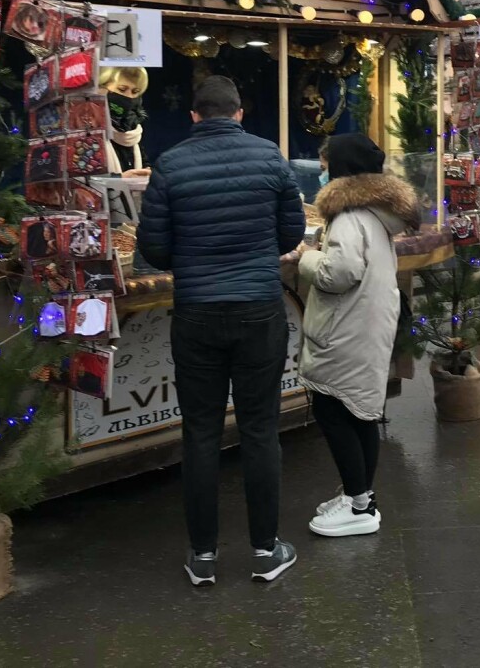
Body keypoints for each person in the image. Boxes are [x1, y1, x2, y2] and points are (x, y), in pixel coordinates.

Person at [138, 76, 306, 586]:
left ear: (194, 116)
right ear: (238, 113)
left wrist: (194, 256)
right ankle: (265, 550)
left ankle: (203, 557)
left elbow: (154, 249)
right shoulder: (270, 157)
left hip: (196, 314)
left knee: (200, 432)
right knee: (260, 429)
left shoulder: (169, 164)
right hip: (259, 310)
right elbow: (292, 233)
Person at [298, 133, 420, 537]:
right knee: (362, 413)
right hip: (367, 326)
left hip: (346, 330)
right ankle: (361, 497)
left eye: (325, 164)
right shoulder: (376, 213)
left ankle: (357, 506)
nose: (321, 171)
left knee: (335, 412)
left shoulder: (348, 217)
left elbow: (339, 273)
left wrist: (306, 257)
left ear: (340, 169)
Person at [101, 66, 148, 177]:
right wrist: (119, 179)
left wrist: (148, 173)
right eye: (122, 89)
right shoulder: (86, 128)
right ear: (101, 89)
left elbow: (144, 163)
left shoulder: (133, 131)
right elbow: (81, 178)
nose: (129, 97)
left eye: (135, 92)